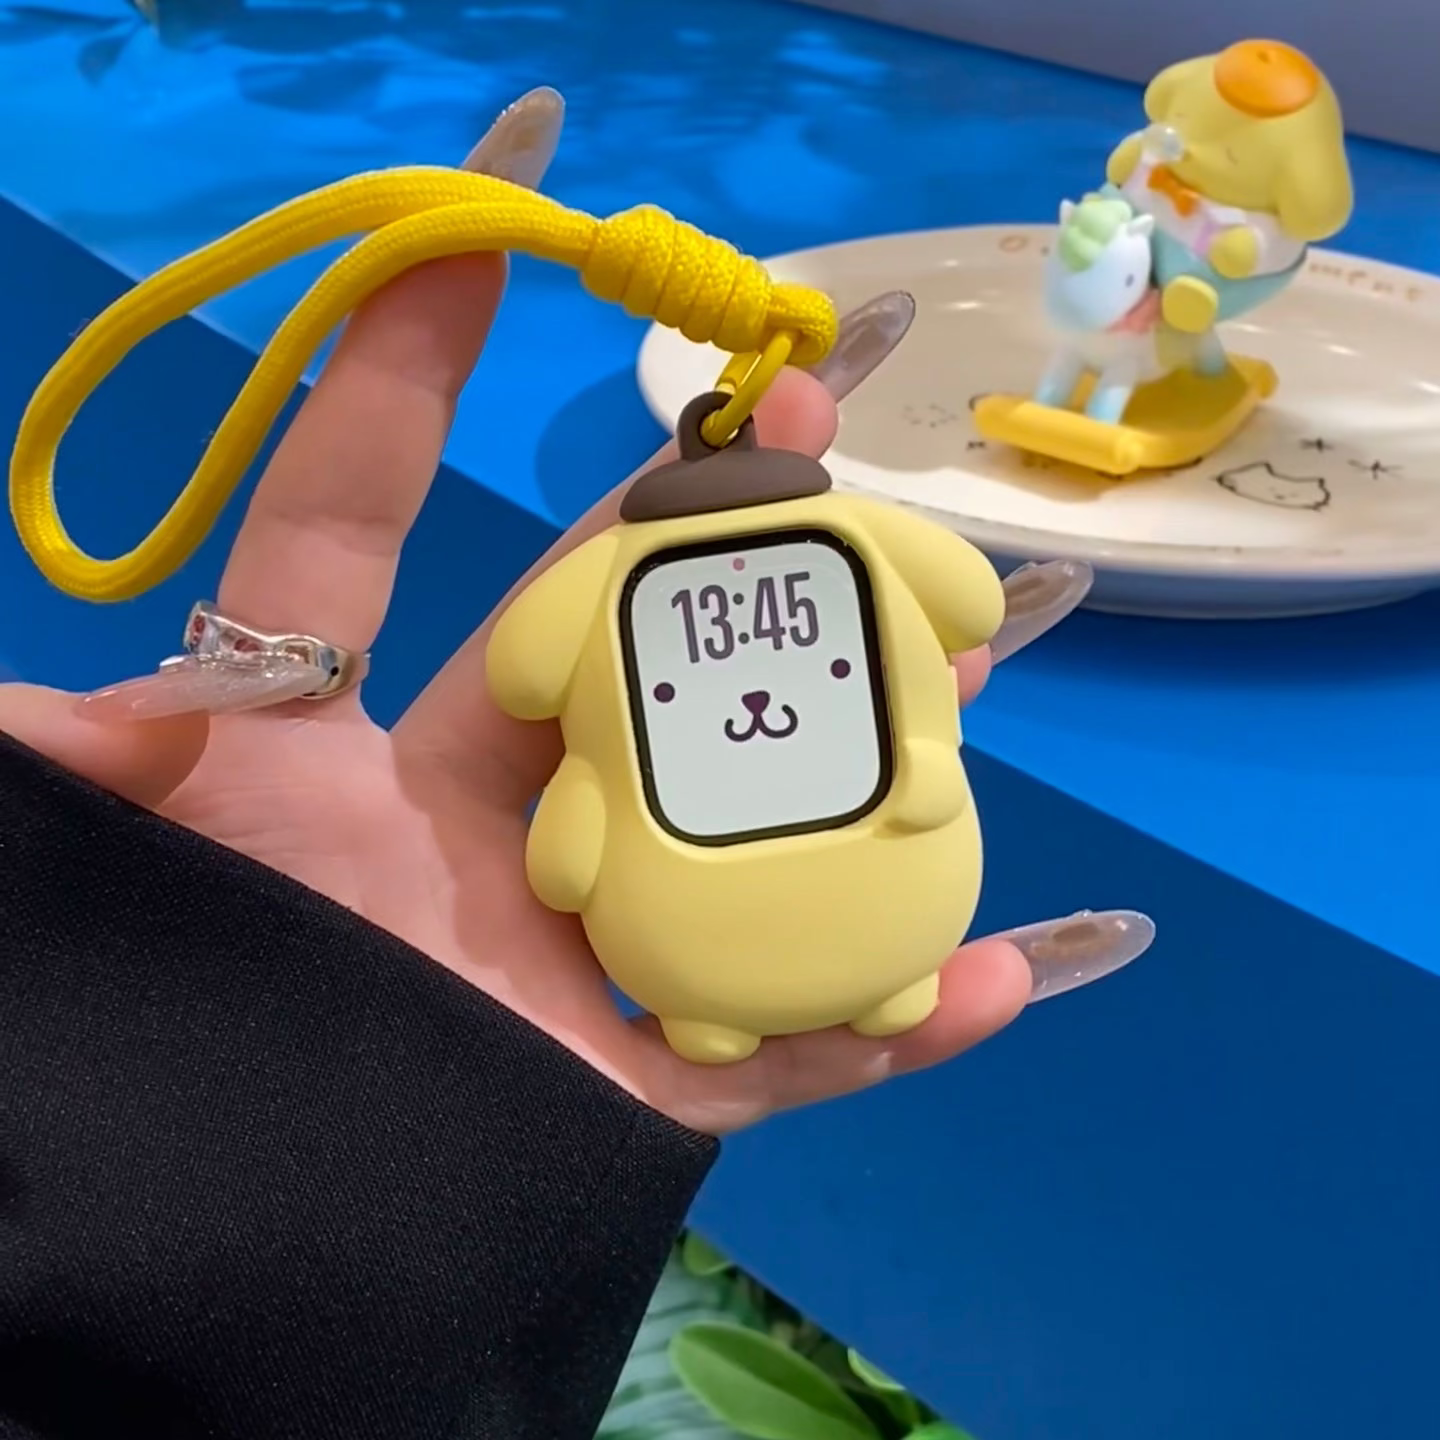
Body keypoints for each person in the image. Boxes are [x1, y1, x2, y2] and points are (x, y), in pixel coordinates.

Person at [0, 90, 1153, 1439]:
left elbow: (910, 605)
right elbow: (951, 596)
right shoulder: (819, 567)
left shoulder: (675, 588)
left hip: (779, 927)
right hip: (759, 928)